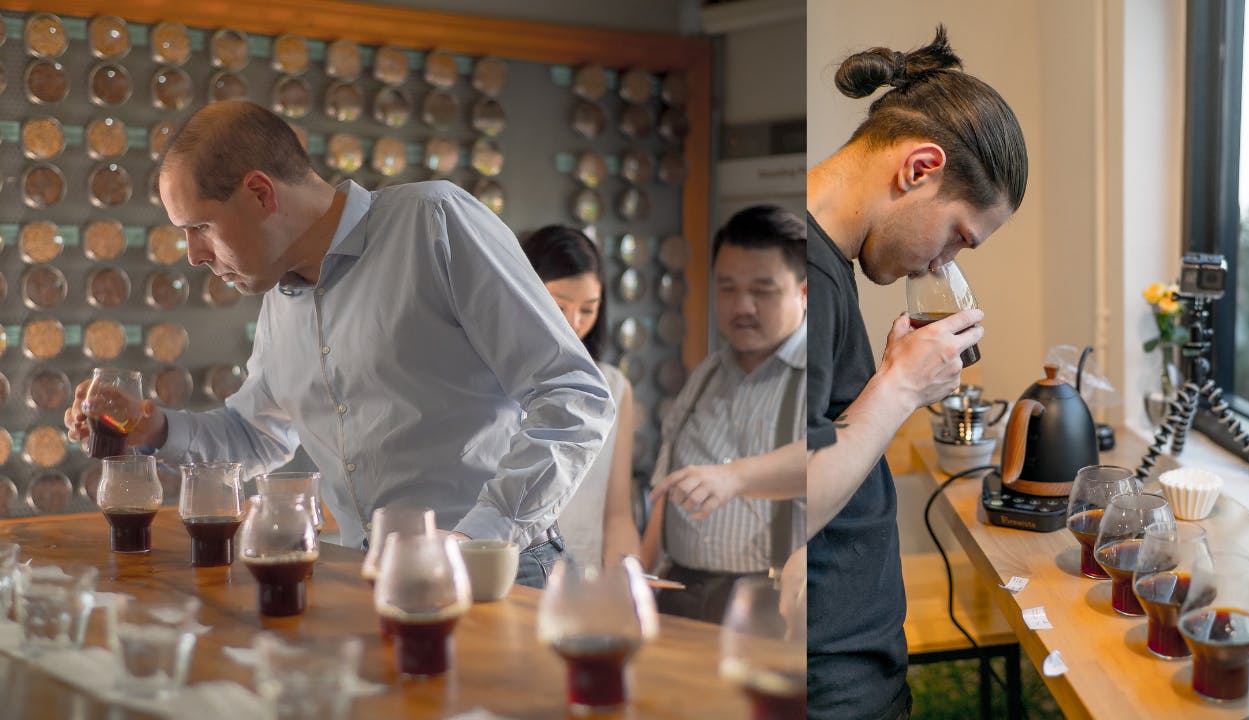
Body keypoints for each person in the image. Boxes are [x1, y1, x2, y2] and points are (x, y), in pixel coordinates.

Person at [62, 101, 614, 589]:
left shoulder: (433, 222)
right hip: (368, 576)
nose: (193, 254)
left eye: (200, 226)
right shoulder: (280, 298)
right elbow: (255, 435)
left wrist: (478, 539)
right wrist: (152, 429)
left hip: (500, 571)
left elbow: (573, 395)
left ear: (260, 193)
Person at [805, 27, 1028, 719]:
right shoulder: (803, 272)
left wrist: (887, 385)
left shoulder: (823, 265)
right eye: (958, 236)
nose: (942, 264)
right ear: (918, 168)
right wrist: (899, 386)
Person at [639, 205, 807, 623]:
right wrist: (636, 580)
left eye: (763, 290)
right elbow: (664, 493)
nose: (742, 306)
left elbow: (831, 460)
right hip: (676, 595)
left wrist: (735, 476)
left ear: (804, 292)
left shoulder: (819, 372)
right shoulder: (706, 373)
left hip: (768, 604)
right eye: (727, 288)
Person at [522, 225, 641, 566]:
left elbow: (618, 515)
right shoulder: (493, 381)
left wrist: (628, 580)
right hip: (510, 573)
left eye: (587, 310)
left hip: (582, 574)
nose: (573, 323)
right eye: (559, 307)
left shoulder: (613, 386)